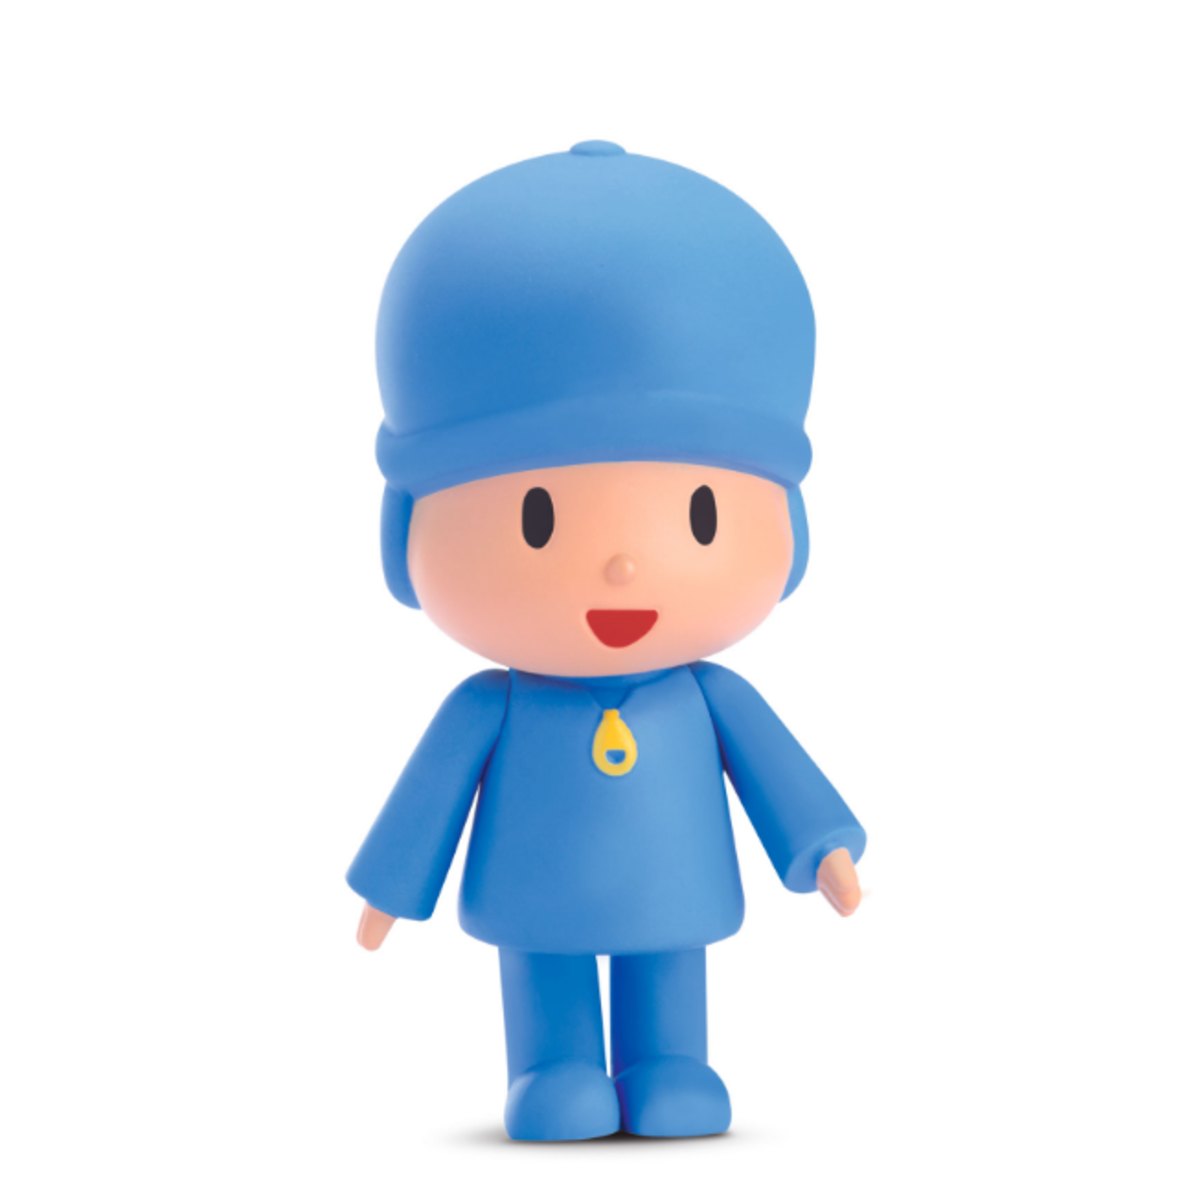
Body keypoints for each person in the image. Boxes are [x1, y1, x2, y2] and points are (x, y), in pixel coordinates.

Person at [347, 141, 866, 1141]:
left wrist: (822, 846)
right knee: (545, 982)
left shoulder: (707, 699)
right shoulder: (489, 709)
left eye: (699, 516)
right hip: (535, 903)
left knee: (669, 971)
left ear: (791, 533)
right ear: (402, 536)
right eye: (535, 517)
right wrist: (389, 891)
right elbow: (428, 801)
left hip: (672, 890)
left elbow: (779, 778)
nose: (622, 568)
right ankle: (552, 1068)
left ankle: (671, 1063)